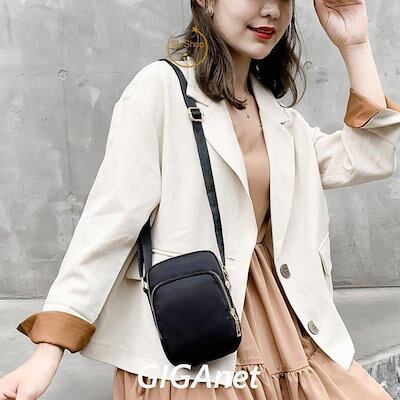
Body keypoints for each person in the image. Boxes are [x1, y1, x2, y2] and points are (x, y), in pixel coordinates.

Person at [1, 0, 399, 399]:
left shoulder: (279, 117)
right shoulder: (160, 89)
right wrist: (48, 351)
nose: (272, 11)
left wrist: (355, 44)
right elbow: (109, 224)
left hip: (285, 321)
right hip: (195, 332)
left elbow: (369, 157)